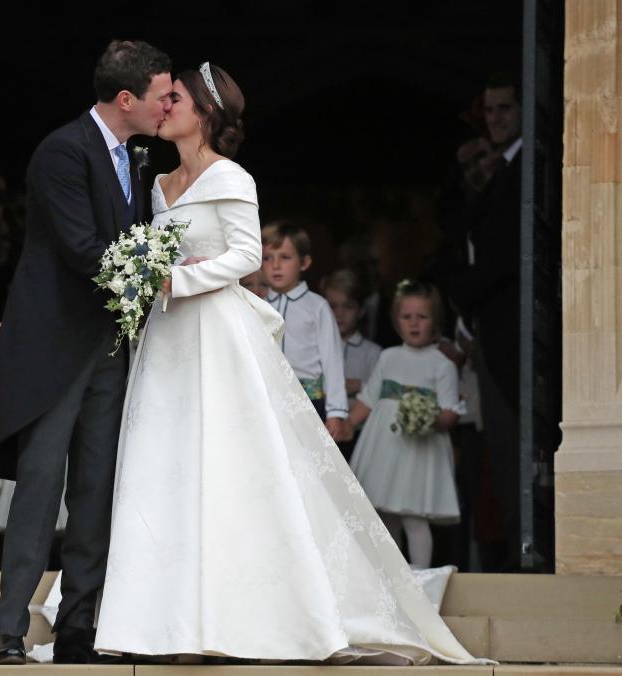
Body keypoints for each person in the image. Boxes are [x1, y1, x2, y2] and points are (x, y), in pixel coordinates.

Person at [94, 63, 487, 666]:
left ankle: (240, 617)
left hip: (215, 333)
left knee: (228, 469)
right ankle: (168, 624)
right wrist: (147, 282)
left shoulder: (232, 178)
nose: (163, 106)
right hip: (167, 339)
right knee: (165, 467)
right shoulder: (159, 181)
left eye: (175, 98)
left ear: (207, 114)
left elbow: (248, 254)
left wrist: (179, 278)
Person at [0, 40, 173, 665]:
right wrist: (163, 273)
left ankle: (79, 627)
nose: (169, 105)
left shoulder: (136, 158)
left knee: (97, 487)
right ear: (125, 99)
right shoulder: (62, 150)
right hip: (54, 348)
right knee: (39, 486)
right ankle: (10, 630)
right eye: (162, 95)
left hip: (108, 347)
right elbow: (84, 248)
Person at [444, 71, 523, 572]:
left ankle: (521, 559)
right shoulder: (492, 180)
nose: (495, 121)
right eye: (488, 112)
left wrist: (458, 293)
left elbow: (501, 256)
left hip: (510, 333)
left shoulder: (521, 170)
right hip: (484, 332)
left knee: (512, 448)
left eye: (504, 110)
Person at [346, 280, 464, 568]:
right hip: (385, 449)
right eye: (406, 317)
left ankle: (421, 578)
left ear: (435, 321)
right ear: (396, 321)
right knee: (385, 516)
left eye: (422, 317)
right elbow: (368, 399)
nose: (414, 323)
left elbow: (451, 412)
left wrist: (430, 419)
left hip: (417, 454)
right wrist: (345, 424)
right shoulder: (388, 357)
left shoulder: (441, 364)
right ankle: (392, 575)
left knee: (413, 515)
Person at [262, 221, 348, 432]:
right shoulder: (257, 307)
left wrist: (336, 411)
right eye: (267, 258)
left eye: (285, 257)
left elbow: (332, 360)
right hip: (266, 403)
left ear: (304, 262)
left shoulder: (317, 306)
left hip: (309, 404)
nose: (275, 265)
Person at [322, 268, 382, 461]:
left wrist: (358, 385)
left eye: (347, 307)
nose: (339, 314)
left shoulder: (372, 353)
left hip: (359, 434)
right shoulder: (314, 347)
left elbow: (382, 393)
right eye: (333, 306)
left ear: (361, 310)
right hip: (320, 429)